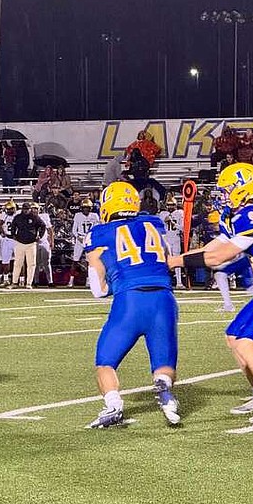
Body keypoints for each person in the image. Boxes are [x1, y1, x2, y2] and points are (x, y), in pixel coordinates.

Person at [168, 162, 253, 424]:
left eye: (228, 188)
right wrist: (173, 259)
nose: (223, 193)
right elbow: (214, 245)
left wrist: (175, 262)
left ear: (244, 188)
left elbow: (220, 256)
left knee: (246, 343)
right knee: (233, 337)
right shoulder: (235, 216)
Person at [84, 182, 180, 428]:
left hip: (130, 302)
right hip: (164, 299)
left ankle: (113, 405)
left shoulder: (99, 233)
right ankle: (166, 395)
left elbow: (98, 290)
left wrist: (118, 282)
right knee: (163, 362)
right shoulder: (154, 224)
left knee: (105, 361)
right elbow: (166, 259)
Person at [9, 202, 46, 289]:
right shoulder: (18, 217)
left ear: (30, 209)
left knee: (31, 264)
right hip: (20, 242)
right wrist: (13, 234)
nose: (26, 211)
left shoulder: (34, 217)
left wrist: (40, 235)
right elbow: (13, 225)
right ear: (22, 209)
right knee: (17, 263)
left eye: (27, 209)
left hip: (31, 243)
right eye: (24, 209)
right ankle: (14, 282)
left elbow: (43, 226)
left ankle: (29, 283)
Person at [67, 199, 100, 288]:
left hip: (89, 239)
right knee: (75, 260)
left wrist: (91, 237)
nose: (86, 210)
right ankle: (71, 280)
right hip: (80, 238)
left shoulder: (95, 216)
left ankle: (89, 281)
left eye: (87, 208)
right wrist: (78, 237)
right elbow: (74, 229)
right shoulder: (78, 216)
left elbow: (96, 229)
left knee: (90, 261)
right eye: (84, 208)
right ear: (81, 208)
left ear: (91, 208)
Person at [159, 195, 185, 288]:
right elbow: (159, 227)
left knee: (177, 259)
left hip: (176, 237)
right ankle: (164, 281)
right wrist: (164, 221)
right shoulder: (162, 214)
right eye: (168, 205)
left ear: (176, 205)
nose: (170, 207)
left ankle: (179, 282)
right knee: (164, 260)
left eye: (172, 205)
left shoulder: (180, 213)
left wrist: (174, 224)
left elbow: (183, 228)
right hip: (166, 238)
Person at [34, 202, 55, 287]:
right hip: (34, 243)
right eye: (32, 209)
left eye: (35, 209)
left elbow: (50, 230)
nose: (34, 210)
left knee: (46, 262)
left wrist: (52, 241)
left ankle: (50, 281)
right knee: (35, 263)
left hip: (44, 241)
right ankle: (35, 281)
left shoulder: (44, 216)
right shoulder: (29, 218)